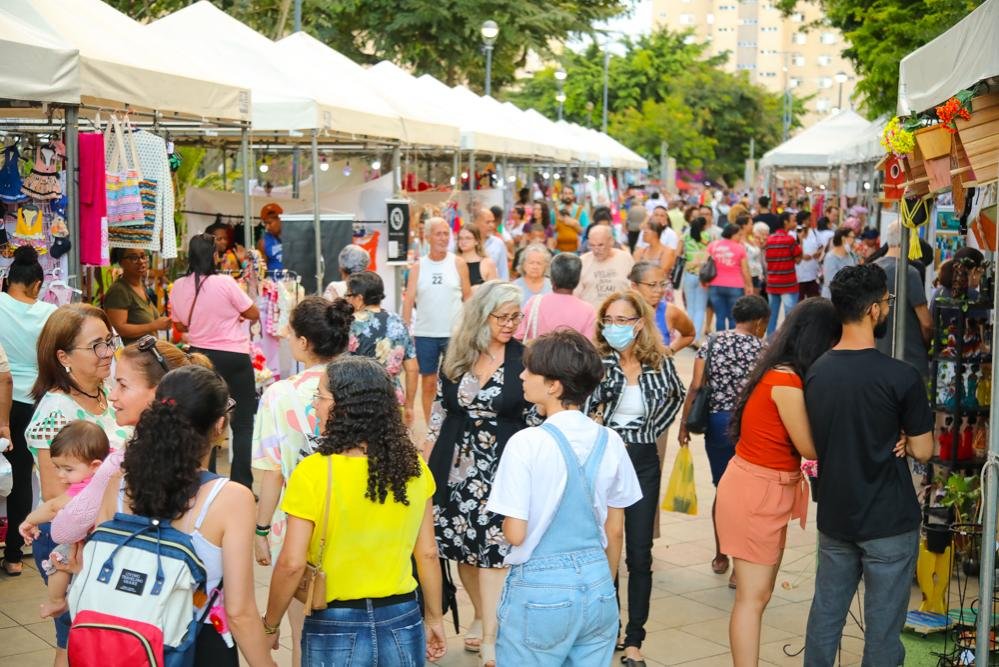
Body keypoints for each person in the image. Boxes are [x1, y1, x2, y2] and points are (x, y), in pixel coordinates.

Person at [263, 357, 446, 666]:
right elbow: (427, 553)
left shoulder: (314, 472)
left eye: (320, 397)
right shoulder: (414, 469)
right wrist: (435, 617)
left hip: (334, 620)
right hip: (402, 616)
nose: (315, 407)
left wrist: (271, 623)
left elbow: (292, 564)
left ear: (345, 408)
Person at [96, 365, 277, 666]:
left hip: (125, 636)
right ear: (219, 424)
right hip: (198, 645)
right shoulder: (230, 498)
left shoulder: (120, 484)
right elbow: (239, 610)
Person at [803, 265, 934, 666]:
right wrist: (905, 441)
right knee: (883, 628)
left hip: (837, 514)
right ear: (876, 309)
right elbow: (925, 450)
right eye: (888, 302)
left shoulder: (816, 372)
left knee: (826, 614)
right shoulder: (901, 376)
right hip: (889, 519)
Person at [487, 330, 641, 665]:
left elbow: (516, 533)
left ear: (554, 386)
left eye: (530, 370)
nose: (522, 375)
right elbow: (615, 531)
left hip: (540, 588)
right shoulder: (610, 440)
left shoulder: (527, 442)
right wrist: (602, 581)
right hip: (598, 583)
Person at [715, 298, 841, 667]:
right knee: (752, 599)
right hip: (757, 492)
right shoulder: (785, 380)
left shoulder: (780, 372)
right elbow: (809, 447)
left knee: (760, 594)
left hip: (766, 489)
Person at [424, 281, 534, 666]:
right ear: (480, 316)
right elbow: (439, 410)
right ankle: (481, 611)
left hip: (503, 464)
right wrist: (424, 462)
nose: (510, 324)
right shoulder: (456, 354)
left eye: (515, 317)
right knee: (460, 548)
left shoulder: (525, 358)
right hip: (454, 466)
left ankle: (493, 628)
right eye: (502, 316)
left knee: (496, 549)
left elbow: (535, 416)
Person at [24, 304, 131, 662]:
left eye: (109, 341)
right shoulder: (57, 411)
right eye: (97, 345)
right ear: (63, 356)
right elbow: (59, 498)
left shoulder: (108, 395)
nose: (108, 353)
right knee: (74, 644)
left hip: (111, 536)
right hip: (73, 542)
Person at [250, 296, 353, 664]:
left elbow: (272, 470)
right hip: (356, 513)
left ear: (305, 343)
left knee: (302, 635)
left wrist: (261, 530)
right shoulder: (362, 383)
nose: (285, 336)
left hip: (297, 522)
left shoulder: (278, 395)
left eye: (290, 332)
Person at [586, 290, 685, 666]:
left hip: (643, 459)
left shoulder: (659, 361)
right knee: (604, 546)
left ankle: (634, 638)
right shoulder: (596, 361)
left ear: (640, 323)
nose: (614, 327)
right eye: (608, 321)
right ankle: (607, 628)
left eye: (622, 320)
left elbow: (676, 396)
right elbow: (582, 405)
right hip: (605, 459)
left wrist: (650, 431)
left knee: (639, 553)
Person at [677, 295, 769, 582]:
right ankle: (741, 563)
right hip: (750, 426)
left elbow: (695, 385)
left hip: (717, 423)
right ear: (758, 322)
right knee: (748, 494)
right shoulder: (764, 349)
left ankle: (721, 554)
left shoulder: (712, 342)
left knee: (724, 490)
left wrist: (683, 423)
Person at [170, 233, 260, 487]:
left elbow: (179, 322)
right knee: (242, 422)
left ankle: (204, 480)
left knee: (202, 418)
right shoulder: (225, 283)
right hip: (234, 356)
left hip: (200, 356)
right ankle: (241, 483)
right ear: (213, 255)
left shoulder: (178, 286)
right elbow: (252, 312)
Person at [0, 246, 56, 575]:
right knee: (29, 476)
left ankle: (10, 554)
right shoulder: (49, 314)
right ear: (37, 285)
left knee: (11, 475)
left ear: (8, 280)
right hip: (37, 401)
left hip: (3, 402)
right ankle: (15, 556)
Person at [21, 420, 109, 618]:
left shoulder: (85, 484)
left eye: (68, 469)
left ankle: (57, 601)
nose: (61, 475)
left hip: (85, 543)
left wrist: (30, 520)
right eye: (57, 467)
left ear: (94, 465)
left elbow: (53, 507)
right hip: (103, 541)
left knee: (57, 559)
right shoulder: (110, 468)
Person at [402, 216, 472, 422]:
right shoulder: (418, 267)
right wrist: (405, 331)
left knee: (455, 380)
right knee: (429, 383)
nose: (443, 238)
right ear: (428, 237)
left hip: (454, 333)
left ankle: (455, 423)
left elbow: (468, 298)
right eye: (438, 234)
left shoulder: (458, 264)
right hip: (425, 334)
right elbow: (409, 301)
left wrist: (471, 329)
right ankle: (432, 426)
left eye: (446, 234)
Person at [343, 271, 419, 423]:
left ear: (359, 298)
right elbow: (412, 368)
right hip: (392, 398)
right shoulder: (398, 321)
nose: (346, 299)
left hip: (358, 399)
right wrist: (409, 406)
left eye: (348, 295)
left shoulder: (350, 324)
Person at [873, 222, 932, 379]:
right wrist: (927, 345)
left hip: (878, 354)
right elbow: (926, 323)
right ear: (909, 239)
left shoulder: (871, 269)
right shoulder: (910, 272)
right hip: (910, 356)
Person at [516, 253, 598, 342]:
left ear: (551, 278)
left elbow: (519, 335)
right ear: (577, 280)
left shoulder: (534, 303)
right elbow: (590, 345)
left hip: (538, 355)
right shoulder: (588, 310)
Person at [102, 248, 172, 345]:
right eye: (134, 258)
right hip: (131, 356)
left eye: (143, 256)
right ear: (121, 262)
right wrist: (153, 326)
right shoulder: (119, 291)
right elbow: (118, 329)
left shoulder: (139, 285)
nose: (141, 261)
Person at [629, 262, 696, 355]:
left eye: (663, 284)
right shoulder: (619, 311)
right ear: (634, 286)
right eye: (652, 285)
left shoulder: (670, 312)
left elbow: (689, 334)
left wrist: (670, 350)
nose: (659, 290)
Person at [575, 225, 635, 311]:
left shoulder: (625, 258)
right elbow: (576, 295)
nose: (596, 250)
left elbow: (634, 289)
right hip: (592, 318)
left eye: (600, 245)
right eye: (592, 245)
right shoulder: (583, 261)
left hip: (620, 316)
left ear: (611, 241)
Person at [706, 223, 753, 330]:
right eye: (739, 235)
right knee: (733, 317)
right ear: (733, 235)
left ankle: (720, 342)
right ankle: (731, 342)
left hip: (715, 284)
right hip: (735, 286)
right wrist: (749, 285)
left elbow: (705, 263)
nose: (741, 237)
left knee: (720, 317)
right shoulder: (740, 248)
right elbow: (745, 270)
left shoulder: (713, 245)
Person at [764, 211, 802, 335]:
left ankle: (769, 342)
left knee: (772, 317)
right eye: (793, 220)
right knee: (790, 317)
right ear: (786, 222)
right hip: (788, 283)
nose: (795, 223)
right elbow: (798, 259)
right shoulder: (790, 240)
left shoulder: (769, 240)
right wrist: (800, 241)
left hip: (772, 283)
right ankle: (787, 343)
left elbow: (767, 259)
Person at [681, 216, 711, 341]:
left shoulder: (686, 236)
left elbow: (680, 252)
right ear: (704, 226)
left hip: (689, 274)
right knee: (700, 308)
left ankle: (688, 334)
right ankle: (696, 337)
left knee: (690, 307)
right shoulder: (707, 236)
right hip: (703, 275)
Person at [820, 227, 857, 299]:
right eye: (852, 237)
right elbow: (831, 282)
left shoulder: (852, 255)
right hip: (832, 299)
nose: (854, 241)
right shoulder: (830, 258)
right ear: (843, 239)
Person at [513, 243, 553, 307]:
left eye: (539, 263)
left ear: (546, 266)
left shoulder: (553, 286)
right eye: (531, 263)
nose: (535, 267)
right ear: (523, 265)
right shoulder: (514, 287)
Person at [795, 211, 824, 300]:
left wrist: (818, 253)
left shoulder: (814, 232)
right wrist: (801, 256)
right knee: (799, 300)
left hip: (813, 273)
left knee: (814, 299)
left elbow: (821, 247)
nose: (809, 221)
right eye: (808, 220)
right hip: (799, 274)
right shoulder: (794, 233)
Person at [476, 208, 510, 281]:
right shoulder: (468, 242)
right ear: (476, 222)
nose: (492, 225)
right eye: (488, 222)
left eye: (493, 222)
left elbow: (503, 272)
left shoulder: (499, 243)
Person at [258, 202, 284, 271]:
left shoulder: (293, 237)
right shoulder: (263, 243)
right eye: (265, 223)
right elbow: (261, 271)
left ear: (280, 219)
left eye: (269, 223)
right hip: (273, 281)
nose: (267, 227)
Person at [746, 220, 768, 294]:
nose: (762, 239)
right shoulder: (751, 248)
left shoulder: (768, 249)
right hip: (755, 278)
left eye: (766, 235)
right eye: (758, 237)